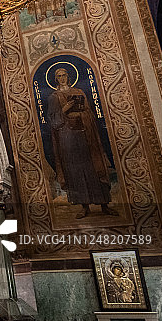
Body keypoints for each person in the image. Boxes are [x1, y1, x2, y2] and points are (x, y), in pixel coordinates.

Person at [46, 66, 118, 218]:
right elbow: (53, 121)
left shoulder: (79, 92)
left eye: (64, 74)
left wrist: (82, 115)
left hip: (86, 136)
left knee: (94, 167)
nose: (62, 78)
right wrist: (65, 109)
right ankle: (84, 206)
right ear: (56, 79)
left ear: (69, 76)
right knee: (75, 171)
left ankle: (104, 204)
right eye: (59, 76)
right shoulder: (54, 97)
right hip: (68, 139)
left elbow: (89, 113)